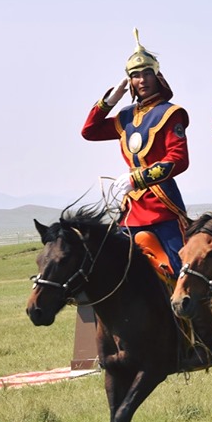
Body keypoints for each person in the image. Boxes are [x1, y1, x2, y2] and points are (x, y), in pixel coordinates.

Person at [81, 29, 191, 279]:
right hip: (131, 206)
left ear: (157, 76)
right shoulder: (125, 116)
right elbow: (89, 131)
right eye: (135, 76)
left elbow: (179, 159)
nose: (142, 80)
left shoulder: (171, 113)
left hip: (162, 203)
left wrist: (137, 179)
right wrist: (109, 101)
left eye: (146, 74)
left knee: (181, 269)